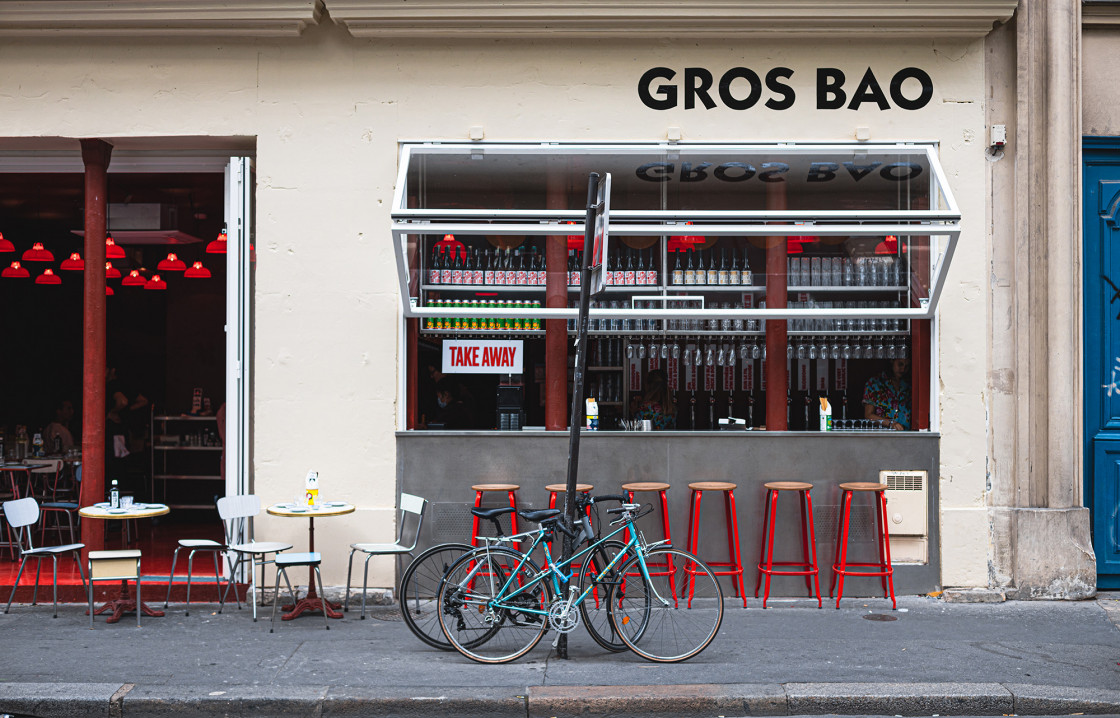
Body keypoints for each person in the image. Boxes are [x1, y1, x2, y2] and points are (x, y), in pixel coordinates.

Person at [862, 357, 912, 430]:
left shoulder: (910, 384)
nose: (903, 369)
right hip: (882, 436)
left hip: (907, 435)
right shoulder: (875, 383)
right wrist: (891, 423)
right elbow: (869, 415)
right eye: (900, 364)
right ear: (892, 361)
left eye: (907, 366)